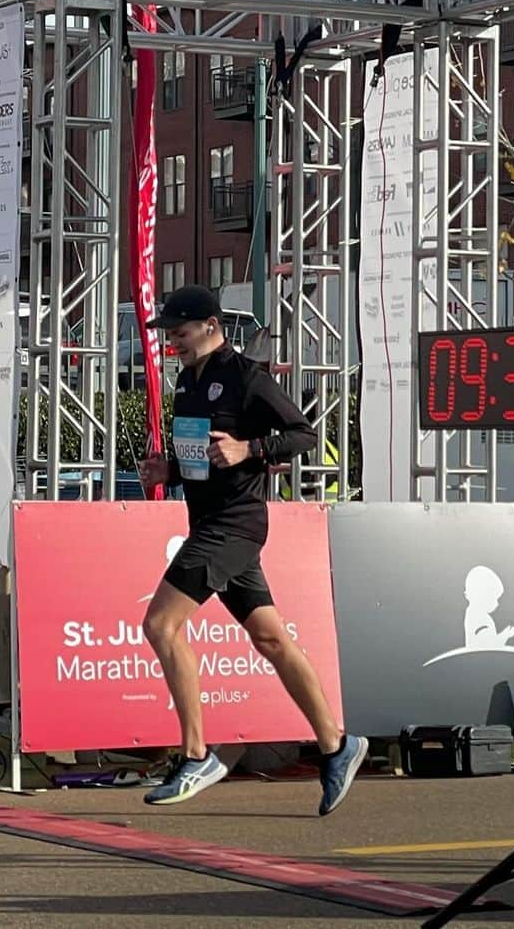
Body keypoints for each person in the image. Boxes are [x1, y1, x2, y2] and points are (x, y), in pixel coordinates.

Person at [138, 285, 367, 814]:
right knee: (271, 638)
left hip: (235, 526)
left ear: (212, 326)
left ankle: (196, 754)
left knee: (160, 626)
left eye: (181, 330)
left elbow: (304, 435)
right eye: (167, 333)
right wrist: (169, 471)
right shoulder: (186, 384)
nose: (172, 340)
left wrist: (251, 447)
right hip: (211, 521)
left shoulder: (247, 377)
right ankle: (336, 744)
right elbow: (202, 460)